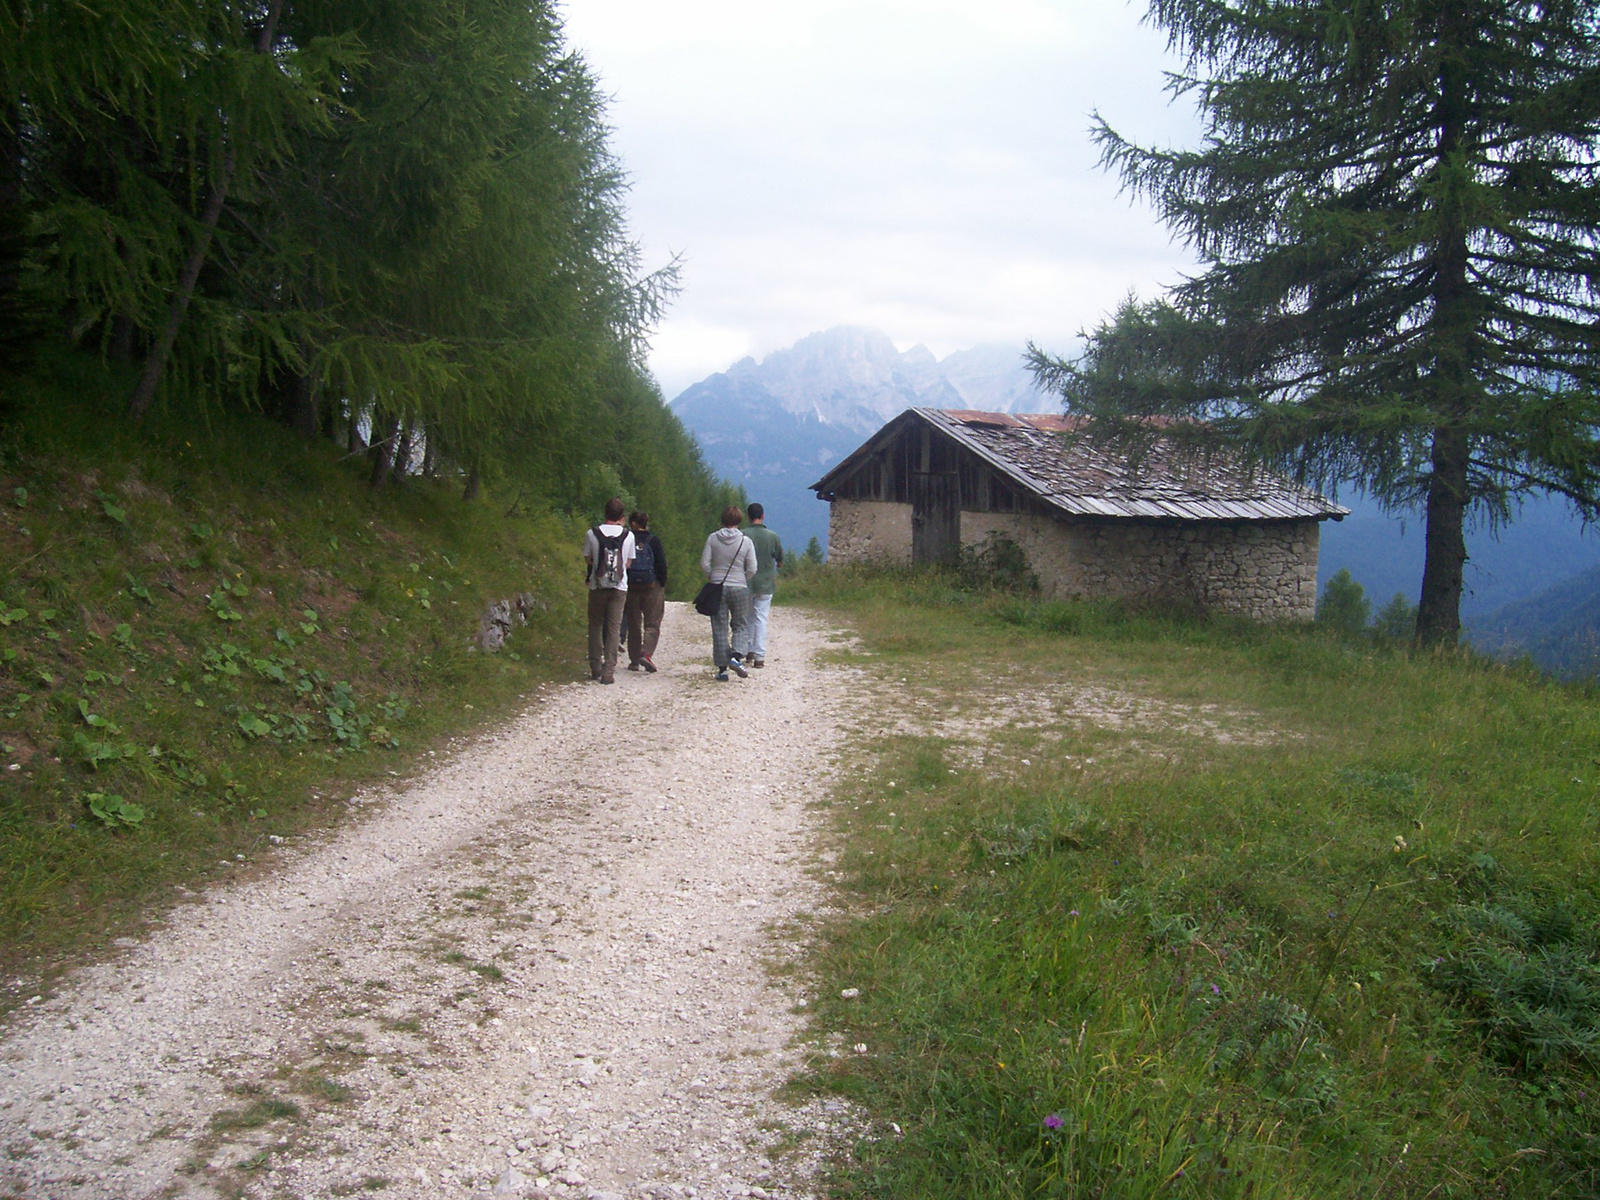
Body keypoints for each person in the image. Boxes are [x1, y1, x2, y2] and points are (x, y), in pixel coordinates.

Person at [700, 504, 757, 681]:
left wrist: (713, 577)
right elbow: (753, 567)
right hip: (739, 586)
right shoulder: (745, 541)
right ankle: (736, 656)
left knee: (719, 627)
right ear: (739, 520)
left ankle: (722, 669)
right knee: (740, 624)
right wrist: (742, 578)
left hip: (718, 586)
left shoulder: (712, 538)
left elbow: (704, 563)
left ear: (723, 520)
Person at [582, 498, 634, 684]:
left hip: (597, 586)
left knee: (595, 625)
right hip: (619, 587)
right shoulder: (628, 535)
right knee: (613, 628)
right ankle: (608, 671)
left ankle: (595, 666)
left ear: (605, 514)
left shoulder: (592, 533)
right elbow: (628, 563)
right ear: (622, 516)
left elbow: (588, 559)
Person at [624, 510, 668, 673]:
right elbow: (661, 564)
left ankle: (634, 660)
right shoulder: (653, 540)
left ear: (633, 523)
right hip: (652, 586)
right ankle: (646, 653)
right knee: (653, 622)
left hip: (631, 586)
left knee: (634, 623)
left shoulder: (627, 539)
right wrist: (661, 583)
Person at [742, 502, 783, 669]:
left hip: (746, 582)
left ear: (748, 516)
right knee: (761, 618)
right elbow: (779, 559)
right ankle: (760, 656)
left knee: (747, 617)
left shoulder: (742, 535)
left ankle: (748, 650)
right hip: (766, 584)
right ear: (762, 516)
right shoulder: (772, 536)